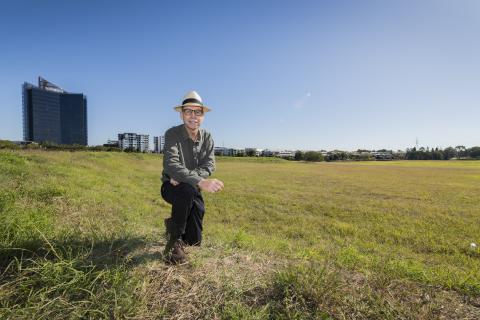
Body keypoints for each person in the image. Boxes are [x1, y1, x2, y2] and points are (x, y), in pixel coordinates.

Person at [161, 90, 224, 264]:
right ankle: (174, 242)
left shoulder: (208, 137)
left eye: (198, 112)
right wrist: (200, 181)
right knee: (186, 191)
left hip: (189, 186)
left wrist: (188, 178)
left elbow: (210, 165)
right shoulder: (172, 134)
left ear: (203, 116)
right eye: (188, 111)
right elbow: (171, 165)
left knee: (194, 241)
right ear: (181, 115)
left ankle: (172, 223)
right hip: (171, 186)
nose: (193, 116)